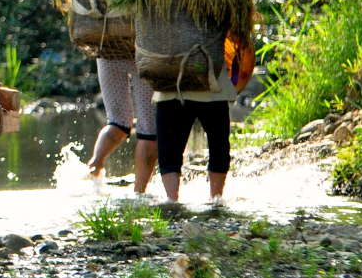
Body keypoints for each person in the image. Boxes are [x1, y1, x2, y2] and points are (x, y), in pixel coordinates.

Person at [155, 36, 254, 205]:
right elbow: (243, 43)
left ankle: (172, 201)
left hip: (170, 84)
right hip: (213, 85)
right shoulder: (219, 11)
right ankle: (216, 199)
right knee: (218, 145)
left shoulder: (163, 12)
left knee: (169, 150)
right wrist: (236, 86)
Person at [86, 57, 158, 194]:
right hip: (142, 53)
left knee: (118, 122)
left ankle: (95, 162)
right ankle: (139, 192)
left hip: (108, 53)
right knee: (148, 130)